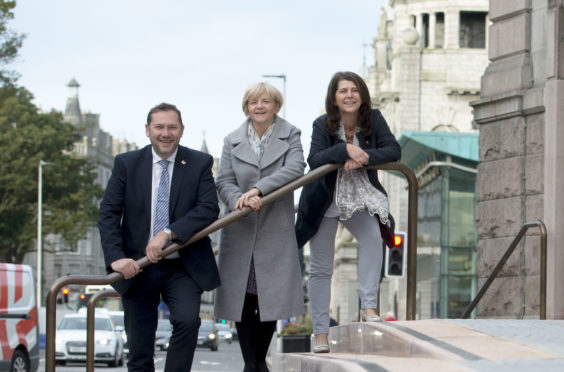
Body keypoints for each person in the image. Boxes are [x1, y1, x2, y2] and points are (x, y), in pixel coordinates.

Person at [98, 103, 220, 371]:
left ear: (182, 130)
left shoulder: (200, 163)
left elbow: (209, 209)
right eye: (159, 127)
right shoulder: (126, 164)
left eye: (172, 127)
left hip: (183, 264)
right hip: (138, 266)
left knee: (188, 322)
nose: (166, 133)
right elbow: (108, 213)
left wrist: (167, 233)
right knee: (140, 350)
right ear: (147, 130)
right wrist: (116, 258)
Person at [295, 71, 401, 353]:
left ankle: (368, 305)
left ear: (362, 94)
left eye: (354, 90)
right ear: (334, 97)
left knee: (372, 239)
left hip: (360, 196)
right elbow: (315, 158)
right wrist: (345, 150)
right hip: (324, 199)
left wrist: (363, 158)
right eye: (343, 91)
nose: (349, 95)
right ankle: (319, 333)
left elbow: (393, 150)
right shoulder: (322, 124)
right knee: (321, 267)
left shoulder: (374, 119)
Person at [214, 82, 306, 372]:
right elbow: (224, 181)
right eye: (254, 102)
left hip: (274, 226)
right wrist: (238, 201)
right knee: (243, 296)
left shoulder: (291, 133)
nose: (260, 106)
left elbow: (295, 168)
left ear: (276, 106)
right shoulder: (232, 140)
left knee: (270, 296)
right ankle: (252, 363)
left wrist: (257, 191)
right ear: (246, 107)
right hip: (240, 226)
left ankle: (254, 363)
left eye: (266, 101)